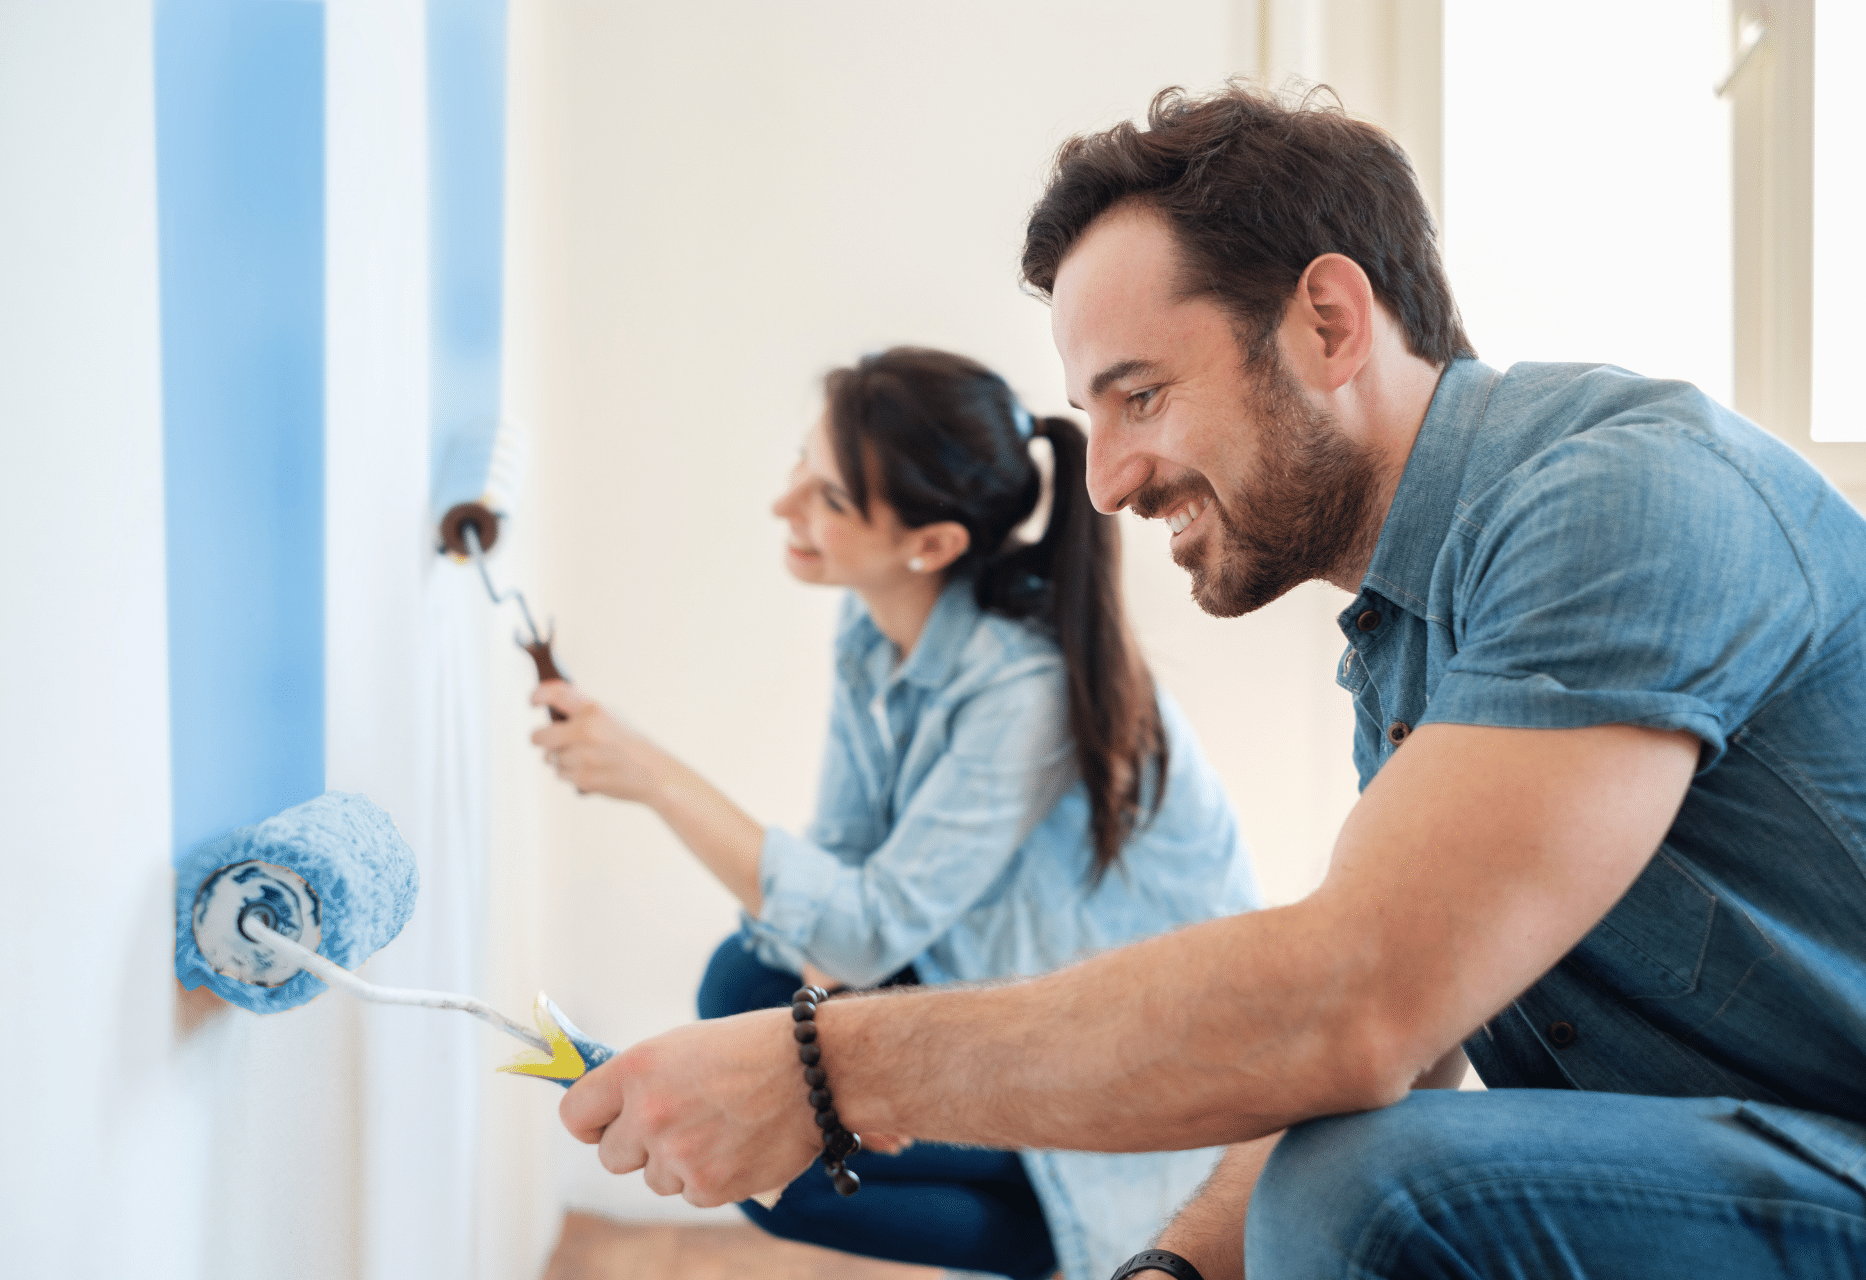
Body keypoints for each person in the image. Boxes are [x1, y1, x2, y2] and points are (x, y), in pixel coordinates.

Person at [554, 82, 1866, 1280]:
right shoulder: (1403, 645)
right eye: (1090, 422)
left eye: (1141, 397)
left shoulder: (1624, 499)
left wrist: (827, 1076)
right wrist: (1170, 1272)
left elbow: (1356, 1007)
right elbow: (1405, 1044)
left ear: (1330, 323)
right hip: (1740, 1162)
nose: (1111, 481)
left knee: (1376, 1193)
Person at [530, 346, 1260, 1280]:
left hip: (1125, 1061)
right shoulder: (874, 628)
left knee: (776, 1133)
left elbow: (865, 933)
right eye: (805, 462)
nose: (785, 504)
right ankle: (1004, 1185)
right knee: (744, 990)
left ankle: (1083, 1224)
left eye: (828, 497)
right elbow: (842, 869)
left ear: (933, 546)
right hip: (993, 978)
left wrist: (654, 777)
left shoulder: (1024, 689)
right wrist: (841, 1054)